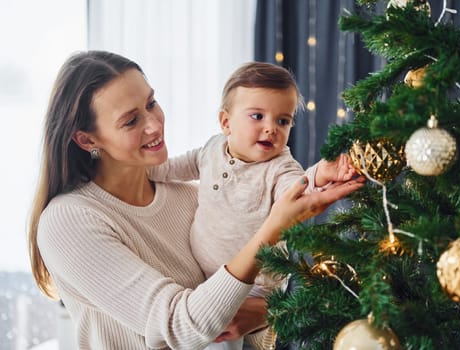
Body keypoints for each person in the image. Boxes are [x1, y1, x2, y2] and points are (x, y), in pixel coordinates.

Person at [27, 50, 366, 350]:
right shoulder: (68, 222)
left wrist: (265, 310)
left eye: (151, 103)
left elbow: (251, 291)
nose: (154, 125)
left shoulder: (192, 198)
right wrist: (275, 226)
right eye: (131, 120)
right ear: (87, 140)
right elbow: (179, 327)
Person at [149, 62, 358, 349]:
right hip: (205, 278)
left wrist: (320, 173)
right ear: (226, 123)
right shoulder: (211, 149)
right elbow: (174, 168)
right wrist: (141, 170)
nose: (271, 128)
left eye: (283, 121)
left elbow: (298, 188)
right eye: (257, 116)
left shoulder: (280, 167)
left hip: (253, 284)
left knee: (225, 339)